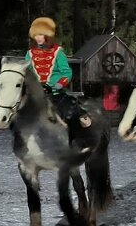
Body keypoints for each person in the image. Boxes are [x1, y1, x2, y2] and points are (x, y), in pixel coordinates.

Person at [25, 17, 95, 145]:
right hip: (37, 95)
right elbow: (27, 73)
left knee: (75, 113)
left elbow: (66, 72)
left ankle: (84, 140)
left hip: (56, 94)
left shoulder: (58, 52)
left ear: (48, 35)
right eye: (36, 35)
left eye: (41, 34)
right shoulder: (30, 54)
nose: (38, 38)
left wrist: (56, 85)